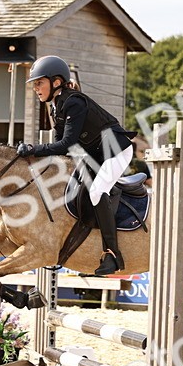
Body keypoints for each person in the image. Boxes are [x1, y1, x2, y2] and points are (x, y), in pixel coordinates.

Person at [15, 55, 135, 276]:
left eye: (39, 82)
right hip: (95, 155)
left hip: (116, 151)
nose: (35, 88)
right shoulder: (56, 106)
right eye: (34, 84)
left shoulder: (74, 102)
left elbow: (66, 144)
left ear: (56, 82)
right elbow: (61, 147)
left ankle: (112, 254)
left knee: (97, 191)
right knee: (73, 190)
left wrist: (33, 149)